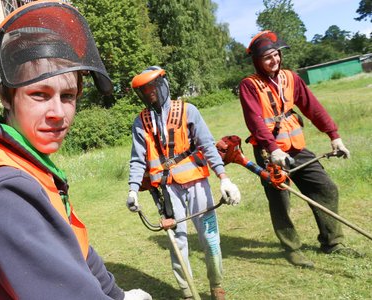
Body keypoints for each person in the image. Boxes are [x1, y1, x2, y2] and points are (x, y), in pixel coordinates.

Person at [0, 1, 152, 299]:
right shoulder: (4, 188)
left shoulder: (26, 163)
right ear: (6, 97)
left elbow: (77, 248)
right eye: (39, 94)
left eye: (68, 96)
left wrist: (118, 295)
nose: (58, 112)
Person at [238, 30, 358, 268]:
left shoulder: (291, 78)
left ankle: (332, 241)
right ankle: (292, 248)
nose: (274, 61)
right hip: (269, 153)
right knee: (281, 201)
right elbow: (255, 121)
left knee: (326, 188)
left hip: (297, 148)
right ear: (257, 61)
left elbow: (313, 108)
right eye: (267, 58)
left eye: (276, 55)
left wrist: (334, 136)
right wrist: (273, 150)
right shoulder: (249, 85)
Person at [127, 66, 241, 300]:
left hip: (197, 183)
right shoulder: (141, 122)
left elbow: (208, 145)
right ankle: (188, 294)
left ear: (163, 85)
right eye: (144, 91)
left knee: (210, 239)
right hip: (167, 190)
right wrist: (132, 190)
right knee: (177, 243)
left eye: (152, 88)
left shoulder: (189, 111)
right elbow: (138, 159)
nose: (149, 94)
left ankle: (216, 285)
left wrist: (224, 178)